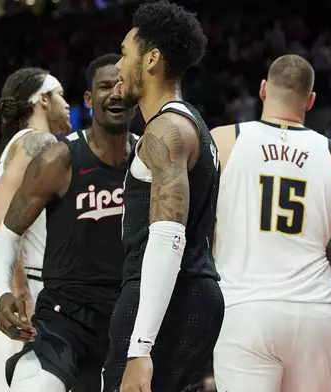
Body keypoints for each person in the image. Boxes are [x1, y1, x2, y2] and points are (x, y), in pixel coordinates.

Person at [211, 54, 331, 392]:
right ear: (310, 101)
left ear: (263, 90)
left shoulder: (223, 141)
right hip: (315, 314)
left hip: (246, 309)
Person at [0, 53, 136, 392]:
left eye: (122, 85)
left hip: (127, 318)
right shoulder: (60, 158)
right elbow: (8, 234)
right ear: (88, 99)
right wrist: (3, 293)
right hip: (65, 318)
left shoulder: (147, 161)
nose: (115, 93)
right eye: (104, 87)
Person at [102, 2, 225, 391]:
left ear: (152, 59)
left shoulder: (164, 131)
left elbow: (168, 237)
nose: (118, 66)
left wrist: (140, 349)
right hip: (198, 293)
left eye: (125, 54)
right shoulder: (196, 127)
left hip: (161, 299)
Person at [0, 67, 71, 392]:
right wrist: (17, 291)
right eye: (61, 95)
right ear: (42, 99)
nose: (67, 104)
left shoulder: (10, 149)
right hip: (17, 291)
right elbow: (2, 222)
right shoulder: (39, 142)